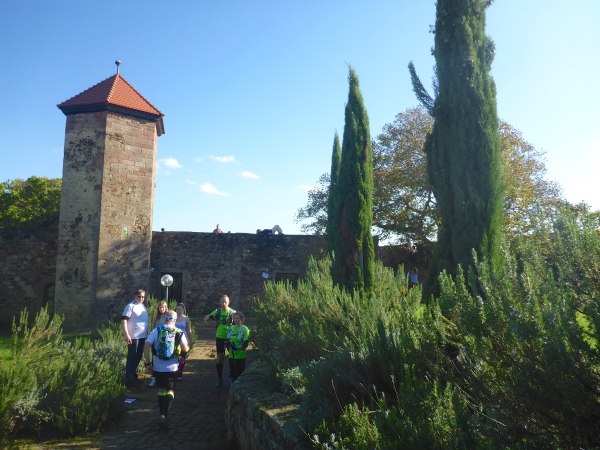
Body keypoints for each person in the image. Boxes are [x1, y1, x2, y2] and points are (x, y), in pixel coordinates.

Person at [143, 310, 189, 432]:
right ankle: (163, 414)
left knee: (161, 390)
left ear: (165, 318)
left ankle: (161, 414)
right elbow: (185, 348)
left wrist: (148, 363)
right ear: (175, 320)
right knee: (170, 391)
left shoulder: (157, 330)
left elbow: (146, 346)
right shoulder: (178, 332)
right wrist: (182, 356)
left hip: (158, 367)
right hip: (172, 367)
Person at [204, 295, 236, 387]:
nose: (224, 304)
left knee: (232, 357)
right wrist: (210, 318)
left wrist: (233, 321)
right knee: (219, 357)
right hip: (220, 337)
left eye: (225, 302)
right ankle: (219, 378)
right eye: (222, 302)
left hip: (230, 337)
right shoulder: (217, 311)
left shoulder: (232, 312)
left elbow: (239, 322)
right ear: (220, 302)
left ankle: (232, 376)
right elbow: (206, 319)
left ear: (229, 302)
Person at [121, 289, 149, 388]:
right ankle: (129, 378)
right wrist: (126, 334)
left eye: (143, 297)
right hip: (133, 336)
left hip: (142, 336)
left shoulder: (142, 306)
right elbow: (124, 320)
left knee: (138, 356)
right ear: (135, 296)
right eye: (139, 296)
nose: (141, 298)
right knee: (132, 357)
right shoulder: (130, 306)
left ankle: (133, 375)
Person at [148, 300, 168, 387]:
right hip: (156, 340)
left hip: (164, 340)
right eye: (160, 307)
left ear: (165, 308)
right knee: (154, 358)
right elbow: (153, 328)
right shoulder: (156, 317)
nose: (161, 309)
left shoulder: (167, 317)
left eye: (163, 307)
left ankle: (163, 377)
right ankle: (154, 378)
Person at [227, 312, 250, 383]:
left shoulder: (244, 329)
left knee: (240, 373)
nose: (235, 320)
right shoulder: (231, 328)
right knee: (232, 372)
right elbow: (228, 339)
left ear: (241, 319)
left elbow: (245, 344)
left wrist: (237, 348)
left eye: (237, 318)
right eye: (234, 318)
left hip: (240, 356)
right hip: (231, 355)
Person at [174, 303, 192, 381]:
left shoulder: (186, 318)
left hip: (184, 339)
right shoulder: (173, 317)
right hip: (174, 339)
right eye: (177, 309)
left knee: (182, 356)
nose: (178, 310)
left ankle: (180, 372)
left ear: (183, 310)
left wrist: (191, 340)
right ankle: (174, 371)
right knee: (175, 356)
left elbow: (188, 330)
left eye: (180, 309)